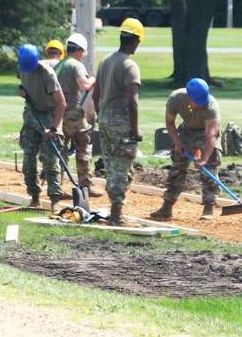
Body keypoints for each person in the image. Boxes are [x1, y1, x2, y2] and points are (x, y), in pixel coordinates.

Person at [92, 18, 144, 226]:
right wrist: (135, 131)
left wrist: (101, 116)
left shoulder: (105, 61)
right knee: (122, 167)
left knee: (111, 164)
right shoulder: (130, 66)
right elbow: (132, 103)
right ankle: (117, 216)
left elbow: (95, 95)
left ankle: (115, 211)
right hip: (121, 119)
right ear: (135, 41)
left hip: (104, 116)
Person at [150, 78, 222, 221]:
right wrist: (177, 142)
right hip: (186, 131)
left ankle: (208, 206)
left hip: (206, 133)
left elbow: (211, 135)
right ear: (189, 97)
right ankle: (167, 206)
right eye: (197, 102)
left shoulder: (211, 105)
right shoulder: (176, 98)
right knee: (177, 168)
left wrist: (204, 158)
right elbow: (170, 123)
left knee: (210, 169)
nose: (201, 104)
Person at [17, 44, 67, 212]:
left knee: (51, 160)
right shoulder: (22, 68)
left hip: (48, 115)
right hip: (31, 114)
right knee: (28, 160)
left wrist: (53, 128)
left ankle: (55, 200)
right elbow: (23, 85)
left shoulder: (48, 74)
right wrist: (23, 93)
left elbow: (62, 104)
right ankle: (35, 197)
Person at [57, 33, 102, 198]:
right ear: (80, 50)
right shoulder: (76, 65)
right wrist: (93, 80)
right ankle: (86, 186)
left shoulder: (59, 65)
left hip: (58, 113)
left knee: (60, 151)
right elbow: (84, 86)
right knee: (83, 148)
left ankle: (57, 187)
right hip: (73, 113)